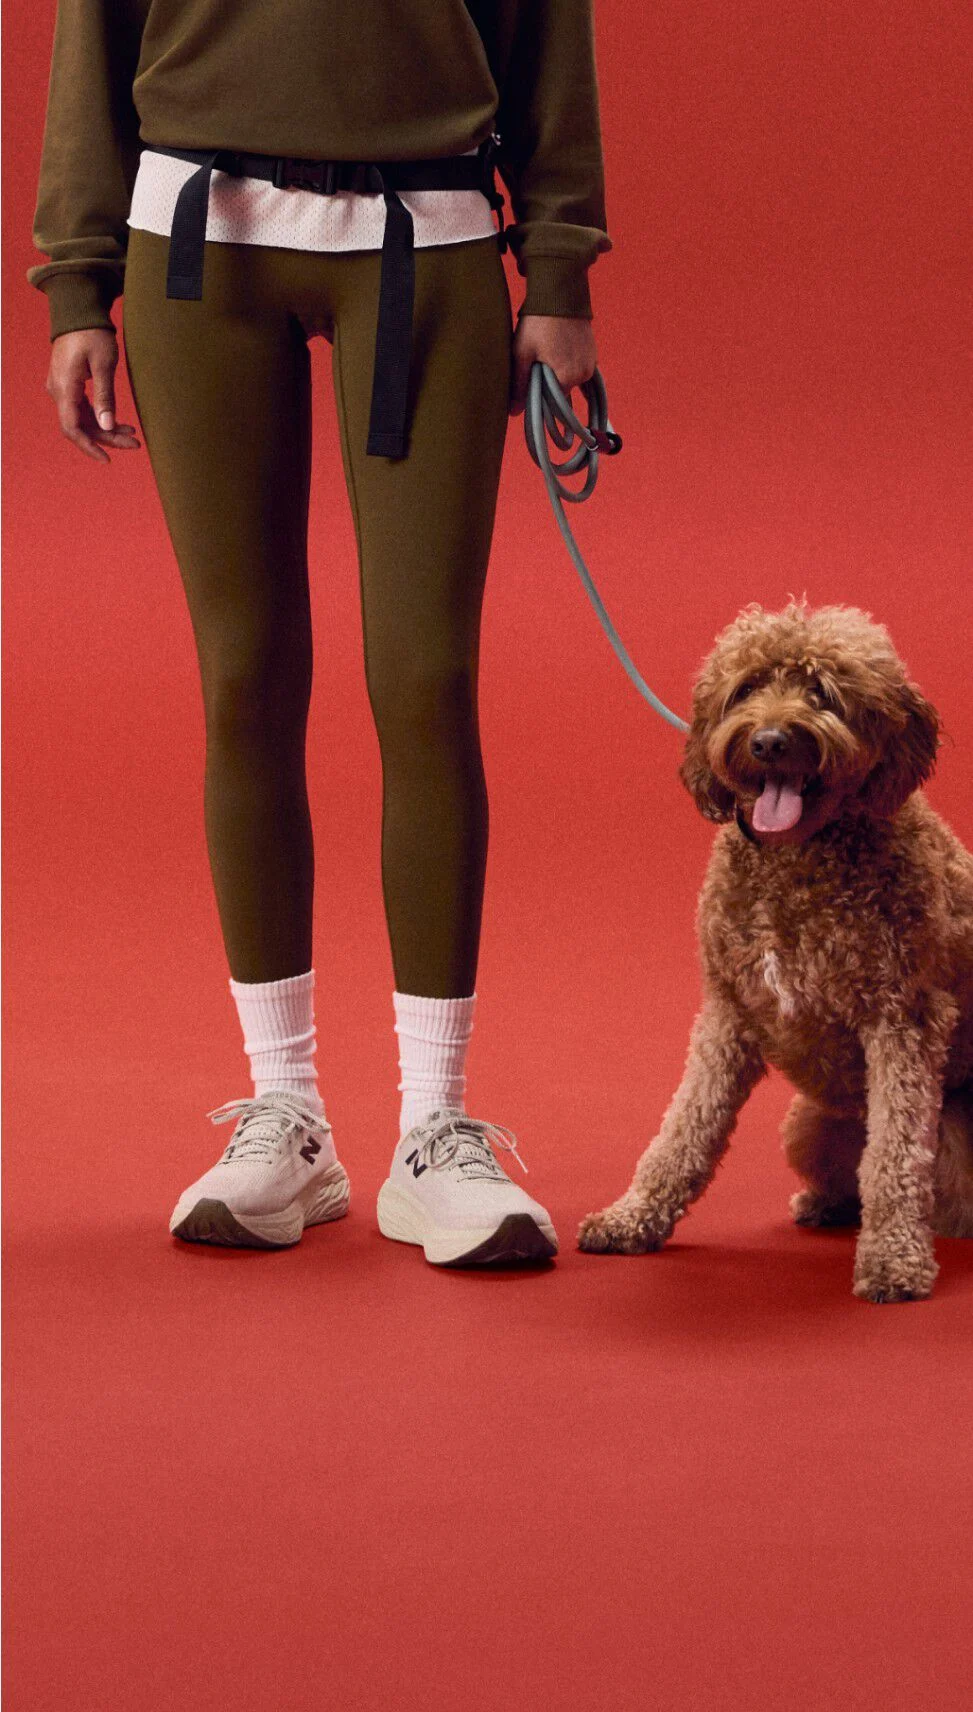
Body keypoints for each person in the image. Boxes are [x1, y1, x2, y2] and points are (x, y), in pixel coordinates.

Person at [27, 0, 612, 1266]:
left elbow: (545, 35)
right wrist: (75, 280)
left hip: (432, 237)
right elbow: (96, 38)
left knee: (426, 677)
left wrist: (557, 269)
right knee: (245, 676)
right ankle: (284, 1110)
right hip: (194, 243)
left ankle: (434, 1125)